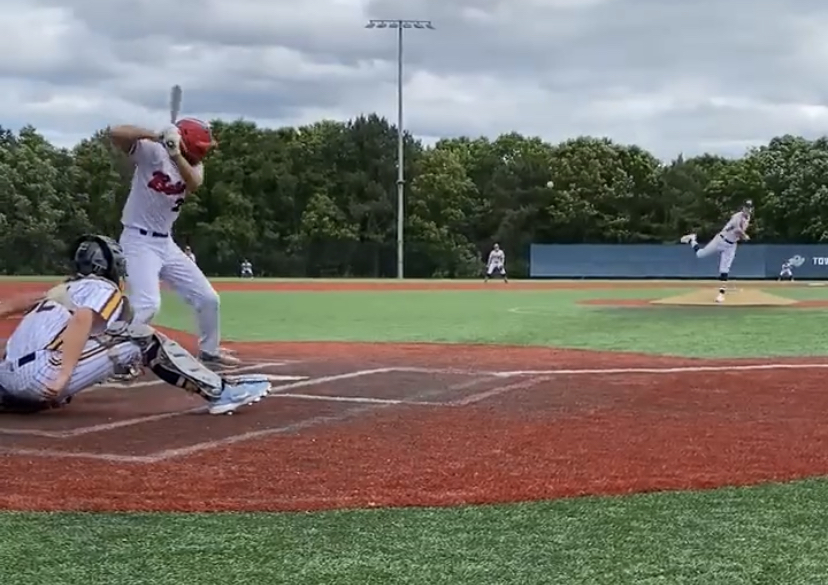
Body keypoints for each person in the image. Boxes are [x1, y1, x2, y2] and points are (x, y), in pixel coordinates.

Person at [0, 234, 269, 415]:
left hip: (7, 379)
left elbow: (8, 307)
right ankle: (219, 392)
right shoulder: (101, 287)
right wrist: (63, 376)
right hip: (39, 378)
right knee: (141, 339)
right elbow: (83, 318)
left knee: (98, 340)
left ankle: (18, 397)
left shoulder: (62, 290)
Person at [109, 119, 239, 375]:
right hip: (137, 240)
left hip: (165, 243)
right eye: (201, 147)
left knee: (208, 299)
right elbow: (115, 133)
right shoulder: (152, 152)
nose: (204, 152)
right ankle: (115, 360)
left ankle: (209, 352)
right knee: (147, 305)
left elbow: (193, 183)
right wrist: (155, 134)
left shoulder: (195, 166)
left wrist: (176, 154)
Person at [680, 200, 753, 303]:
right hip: (720, 240)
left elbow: (738, 232)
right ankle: (692, 239)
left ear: (751, 209)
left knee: (725, 269)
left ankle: (721, 294)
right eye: (746, 207)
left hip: (731, 245)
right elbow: (737, 229)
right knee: (700, 254)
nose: (747, 209)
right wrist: (745, 236)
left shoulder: (748, 218)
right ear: (743, 208)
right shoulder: (737, 216)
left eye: (749, 207)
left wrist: (742, 236)